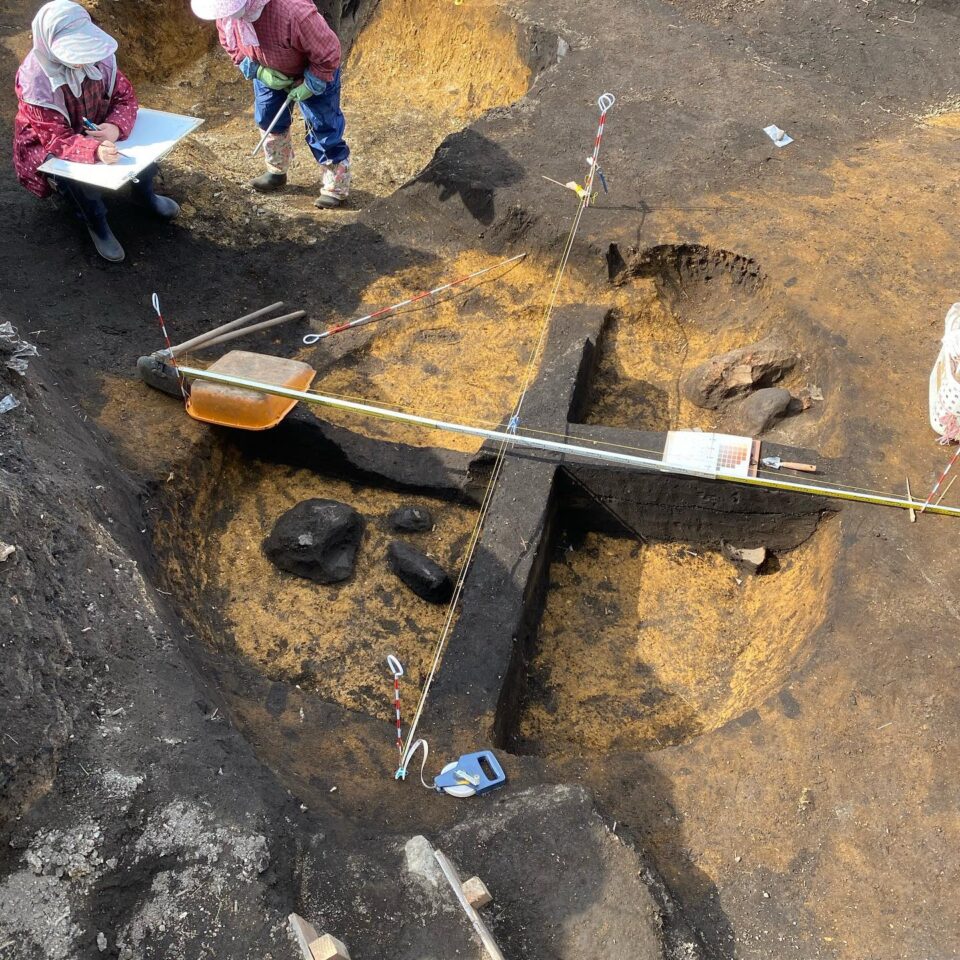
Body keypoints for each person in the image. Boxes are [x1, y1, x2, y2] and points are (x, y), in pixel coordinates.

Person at [12, 0, 180, 263]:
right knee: (78, 183)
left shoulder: (100, 61)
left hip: (98, 127)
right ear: (49, 45)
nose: (83, 61)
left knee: (142, 156)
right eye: (75, 53)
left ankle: (145, 196)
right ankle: (96, 222)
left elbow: (125, 98)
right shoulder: (36, 82)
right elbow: (55, 137)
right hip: (51, 142)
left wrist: (115, 127)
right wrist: (94, 151)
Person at [191, 0, 351, 209]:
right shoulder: (227, 15)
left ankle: (335, 186)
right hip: (267, 69)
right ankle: (276, 171)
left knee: (322, 126)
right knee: (268, 116)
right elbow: (229, 42)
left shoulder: (294, 13)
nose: (226, 17)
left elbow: (328, 51)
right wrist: (258, 71)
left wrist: (311, 83)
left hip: (314, 70)